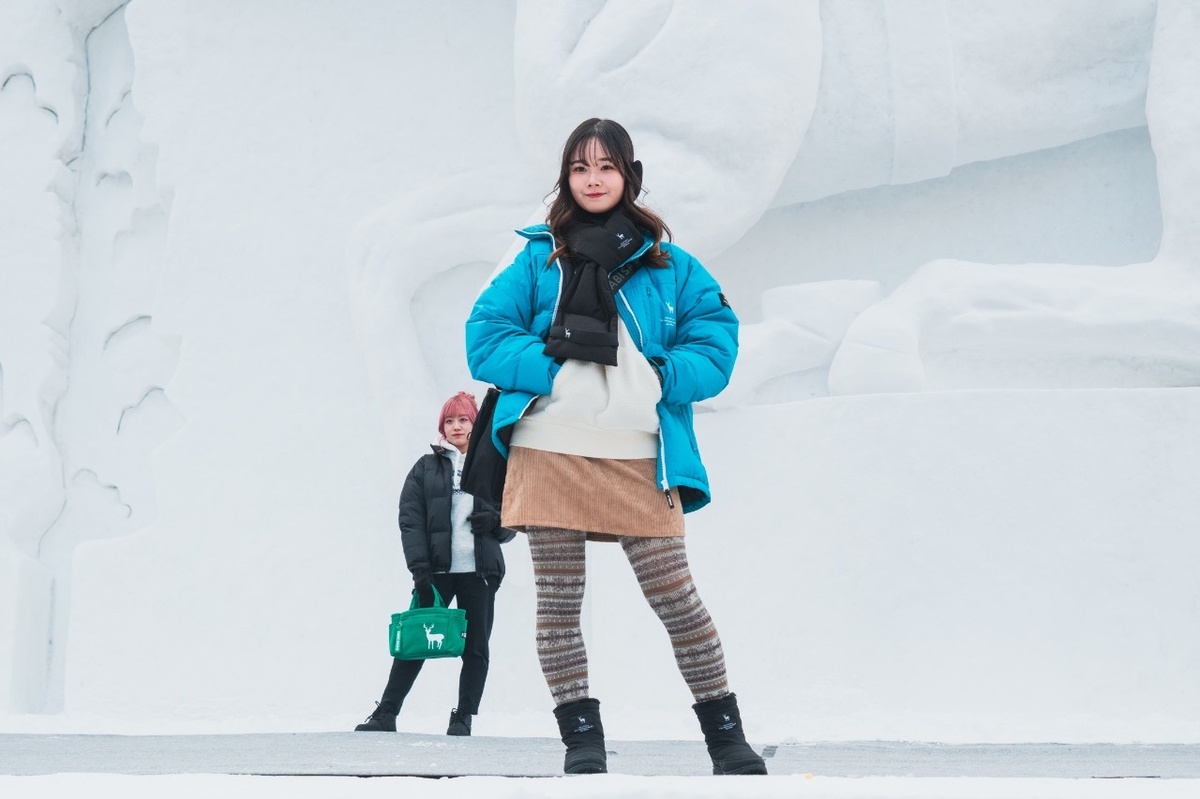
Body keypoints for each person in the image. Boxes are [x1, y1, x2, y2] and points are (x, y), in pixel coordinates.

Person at [464, 118, 766, 775]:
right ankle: (582, 743)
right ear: (565, 177)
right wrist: (556, 371)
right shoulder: (538, 257)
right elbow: (484, 336)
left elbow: (716, 339)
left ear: (630, 175)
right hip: (548, 449)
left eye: (606, 166)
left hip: (640, 454)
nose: (593, 179)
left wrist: (660, 376)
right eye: (580, 167)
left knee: (677, 599)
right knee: (559, 605)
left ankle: (726, 739)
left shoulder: (669, 264)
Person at [355, 391, 514, 736]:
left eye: (463, 420)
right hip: (436, 572)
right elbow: (410, 520)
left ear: (476, 424)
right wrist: (420, 569)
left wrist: (496, 522)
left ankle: (463, 718)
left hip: (479, 572)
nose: (456, 426)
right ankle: (386, 713)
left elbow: (517, 511)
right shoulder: (425, 468)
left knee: (476, 648)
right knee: (415, 641)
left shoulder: (495, 465)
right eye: (449, 421)